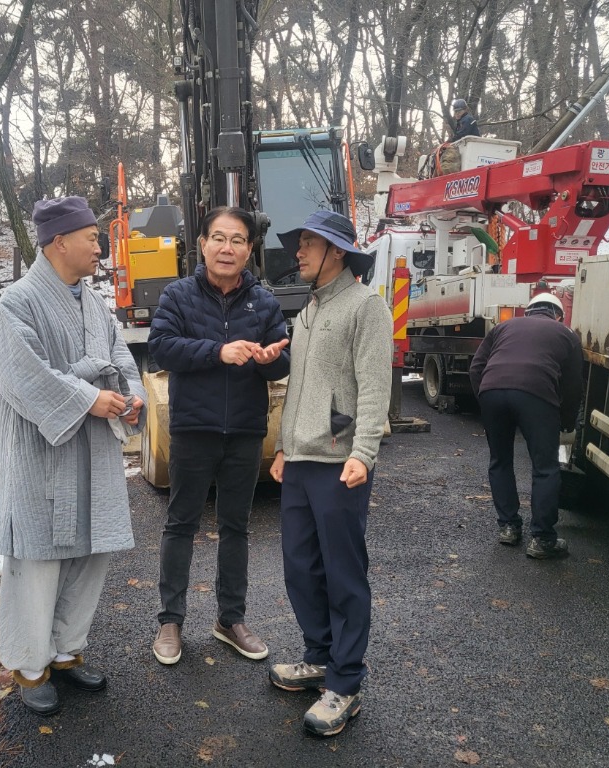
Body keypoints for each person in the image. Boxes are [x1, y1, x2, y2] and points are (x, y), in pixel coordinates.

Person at [0, 195, 147, 716]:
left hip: (93, 446)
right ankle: (29, 666)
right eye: (92, 237)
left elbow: (119, 352)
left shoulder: (91, 300)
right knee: (36, 560)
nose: (99, 246)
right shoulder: (17, 302)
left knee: (89, 551)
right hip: (42, 452)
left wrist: (131, 392)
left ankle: (65, 651)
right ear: (59, 242)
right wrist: (88, 397)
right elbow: (23, 378)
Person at [267, 210, 393, 737]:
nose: (297, 252)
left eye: (308, 244)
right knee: (300, 567)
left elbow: (374, 386)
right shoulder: (310, 309)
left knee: (344, 575)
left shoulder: (367, 306)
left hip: (340, 463)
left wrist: (364, 452)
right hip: (299, 461)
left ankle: (345, 683)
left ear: (336, 252)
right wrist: (282, 447)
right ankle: (319, 656)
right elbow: (299, 387)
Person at [148, 205, 290, 667]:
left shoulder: (263, 302)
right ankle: (171, 620)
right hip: (193, 428)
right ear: (203, 244)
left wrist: (270, 358)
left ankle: (231, 619)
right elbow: (161, 347)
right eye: (219, 238)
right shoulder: (178, 296)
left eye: (238, 241)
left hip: (246, 430)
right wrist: (218, 351)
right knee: (181, 523)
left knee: (236, 526)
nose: (227, 248)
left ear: (249, 250)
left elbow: (284, 359)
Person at [468, 292, 583, 559]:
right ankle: (542, 539)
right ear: (558, 315)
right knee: (545, 468)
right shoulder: (566, 334)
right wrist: (566, 421)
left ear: (528, 311)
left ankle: (508, 527)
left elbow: (476, 368)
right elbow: (573, 385)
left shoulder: (503, 327)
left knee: (500, 460)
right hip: (537, 394)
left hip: (492, 392)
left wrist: (486, 399)